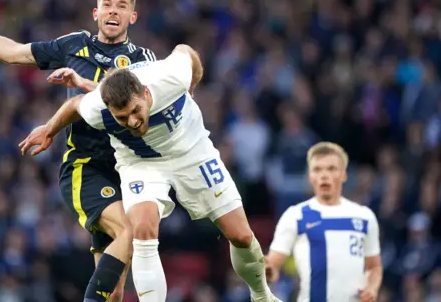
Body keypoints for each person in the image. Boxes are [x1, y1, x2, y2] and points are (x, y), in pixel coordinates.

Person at [0, 0, 158, 302]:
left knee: (115, 294)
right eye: (107, 4)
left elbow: (152, 107)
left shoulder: (144, 59)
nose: (113, 11)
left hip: (127, 171)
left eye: (122, 6)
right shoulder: (73, 45)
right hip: (87, 169)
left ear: (132, 17)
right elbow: (12, 53)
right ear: (96, 13)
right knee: (130, 230)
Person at [19, 45, 280, 302]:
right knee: (142, 229)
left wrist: (192, 85)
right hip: (140, 163)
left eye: (135, 111)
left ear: (145, 93)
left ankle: (261, 295)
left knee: (241, 236)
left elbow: (186, 51)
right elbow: (75, 105)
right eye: (122, 117)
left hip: (192, 153)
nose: (132, 121)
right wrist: (49, 129)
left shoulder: (170, 77)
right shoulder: (98, 108)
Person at [265, 142, 383, 302]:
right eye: (317, 169)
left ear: (344, 175)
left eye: (331, 169)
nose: (324, 176)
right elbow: (273, 263)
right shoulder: (295, 216)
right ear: (310, 176)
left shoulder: (364, 217)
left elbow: (374, 266)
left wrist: (371, 288)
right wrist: (265, 271)